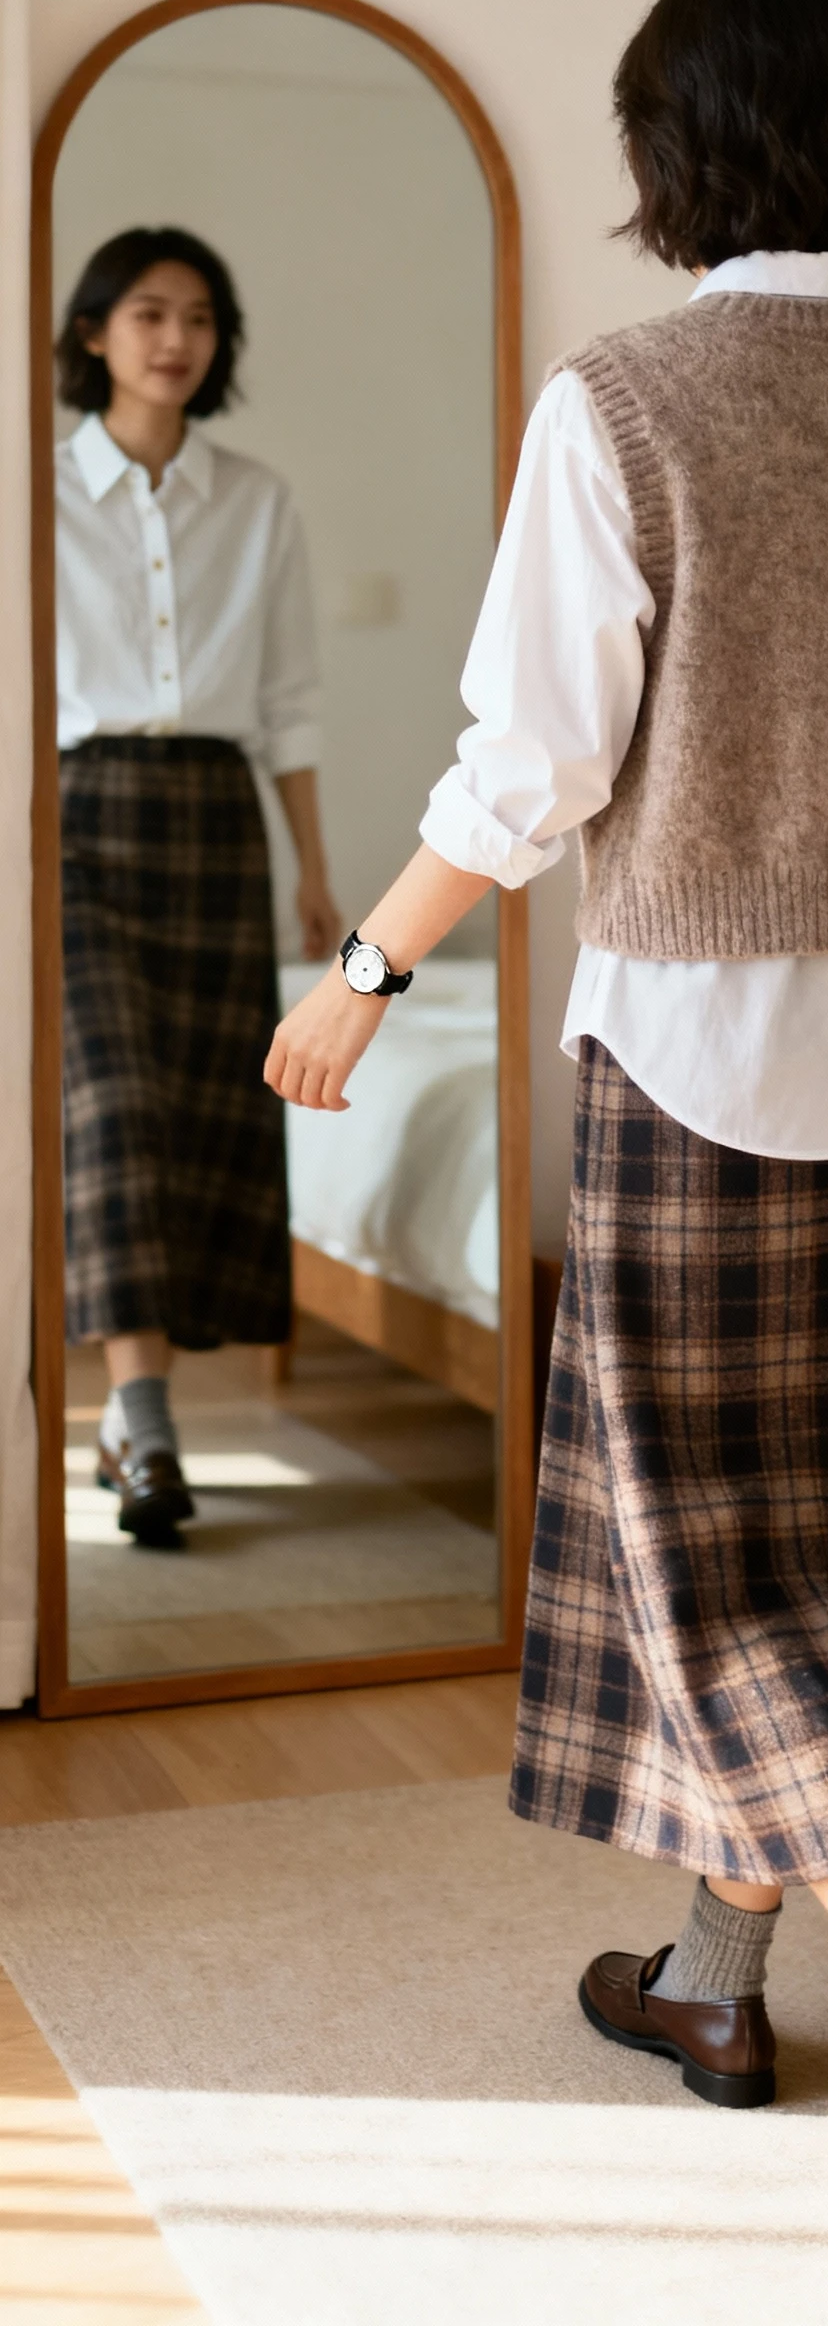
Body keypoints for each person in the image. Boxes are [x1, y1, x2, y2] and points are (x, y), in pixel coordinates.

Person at [267, 0, 828, 2285]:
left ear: (672, 152)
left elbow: (531, 771)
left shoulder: (623, 401)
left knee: (710, 1557)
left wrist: (365, 967)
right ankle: (716, 1987)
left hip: (699, 1070)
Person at [56, 226, 340, 1550]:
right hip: (72, 822)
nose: (175, 339)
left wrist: (319, 879)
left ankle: (134, 1423)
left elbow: (287, 707)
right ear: (96, 332)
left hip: (217, 824)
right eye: (148, 312)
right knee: (110, 1110)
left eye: (200, 319)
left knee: (205, 1117)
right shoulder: (31, 491)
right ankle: (146, 1418)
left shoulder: (260, 500)